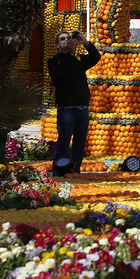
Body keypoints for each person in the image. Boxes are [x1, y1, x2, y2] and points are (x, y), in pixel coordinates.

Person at [48, 30, 101, 175]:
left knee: (80, 145)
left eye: (69, 38)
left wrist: (86, 43)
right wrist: (67, 55)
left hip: (82, 108)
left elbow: (96, 57)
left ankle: (75, 171)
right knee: (64, 143)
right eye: (62, 39)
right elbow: (59, 76)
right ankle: (59, 172)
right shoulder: (54, 61)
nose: (67, 40)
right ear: (57, 45)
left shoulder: (78, 60)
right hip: (67, 109)